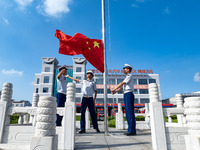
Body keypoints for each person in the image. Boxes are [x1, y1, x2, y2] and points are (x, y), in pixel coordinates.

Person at [111, 64, 136, 136]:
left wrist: (114, 88)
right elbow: (122, 87)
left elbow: (122, 83)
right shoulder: (126, 78)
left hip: (129, 94)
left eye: (125, 68)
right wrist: (115, 91)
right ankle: (130, 130)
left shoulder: (129, 76)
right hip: (126, 94)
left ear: (129, 69)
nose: (124, 69)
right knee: (128, 112)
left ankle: (132, 131)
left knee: (130, 112)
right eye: (124, 68)